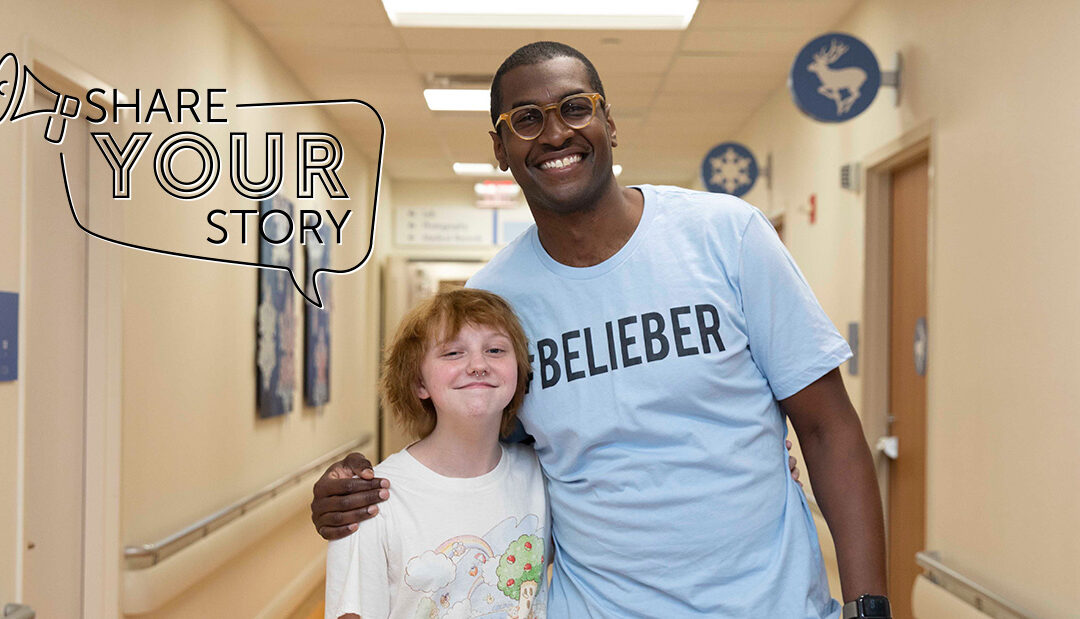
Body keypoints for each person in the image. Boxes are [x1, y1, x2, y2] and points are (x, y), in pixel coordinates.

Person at [313, 41, 890, 618]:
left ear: (609, 122)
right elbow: (481, 454)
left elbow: (827, 430)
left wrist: (869, 607)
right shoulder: (496, 296)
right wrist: (364, 496)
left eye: (575, 108)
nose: (556, 133)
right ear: (500, 148)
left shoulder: (726, 236)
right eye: (527, 119)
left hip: (773, 604)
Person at [324, 289, 551, 619]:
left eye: (495, 350)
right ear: (419, 383)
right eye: (453, 353)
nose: (478, 365)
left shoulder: (539, 476)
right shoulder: (374, 501)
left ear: (518, 372)